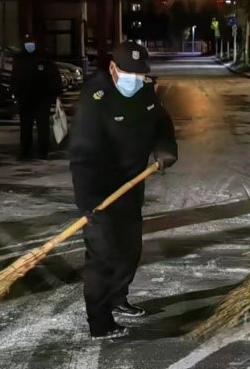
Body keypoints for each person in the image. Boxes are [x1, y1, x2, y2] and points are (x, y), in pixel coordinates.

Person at [68, 41, 177, 339]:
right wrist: (88, 203)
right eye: (129, 73)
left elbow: (162, 122)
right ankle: (100, 322)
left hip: (132, 185)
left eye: (140, 74)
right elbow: (81, 156)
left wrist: (165, 148)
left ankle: (118, 297)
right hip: (101, 193)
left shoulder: (145, 92)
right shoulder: (95, 99)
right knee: (102, 258)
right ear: (113, 68)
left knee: (129, 250)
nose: (135, 80)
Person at [12, 33, 64, 160]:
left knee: (42, 126)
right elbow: (15, 77)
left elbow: (54, 76)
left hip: (42, 98)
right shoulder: (20, 58)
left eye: (31, 43)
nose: (29, 45)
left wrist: (56, 93)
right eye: (27, 43)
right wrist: (16, 93)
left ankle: (43, 151)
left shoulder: (44, 58)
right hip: (26, 99)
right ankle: (25, 151)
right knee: (26, 127)